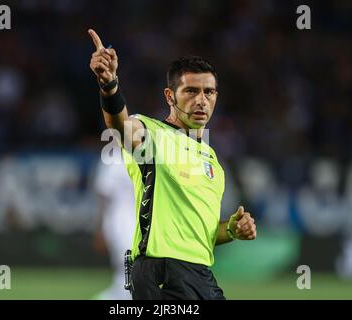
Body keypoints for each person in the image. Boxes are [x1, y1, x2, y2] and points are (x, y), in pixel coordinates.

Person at [88, 29, 257, 300]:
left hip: (200, 274)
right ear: (170, 96)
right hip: (162, 274)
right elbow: (119, 125)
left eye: (209, 92)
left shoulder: (212, 161)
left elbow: (205, 233)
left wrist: (233, 230)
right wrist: (109, 84)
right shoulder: (152, 134)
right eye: (191, 91)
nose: (201, 100)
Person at [93, 150, 136, 300]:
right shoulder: (114, 158)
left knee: (128, 273)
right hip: (120, 222)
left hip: (129, 222)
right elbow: (104, 198)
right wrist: (99, 230)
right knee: (127, 272)